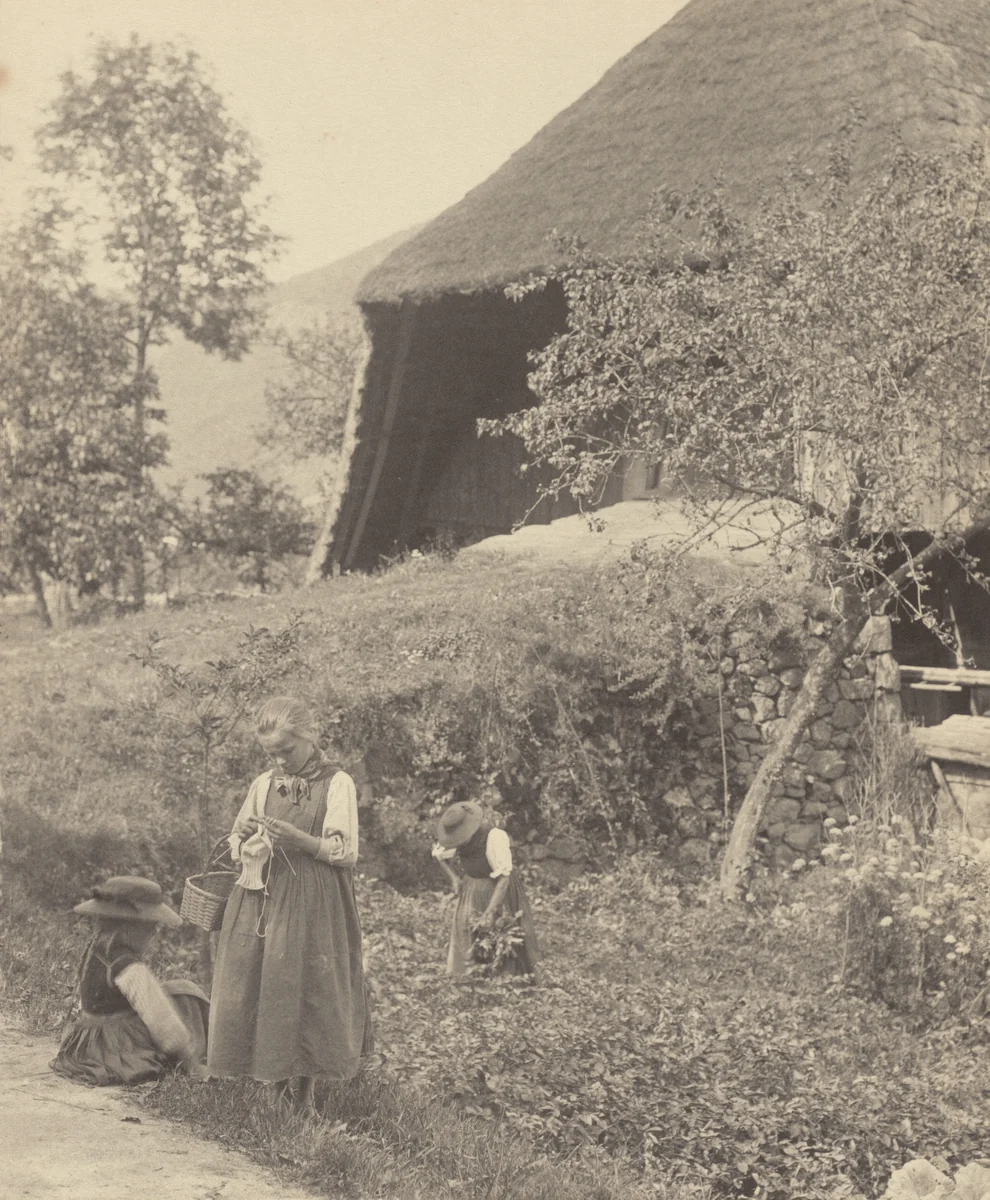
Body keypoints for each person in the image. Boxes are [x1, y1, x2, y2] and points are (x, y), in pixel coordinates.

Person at [208, 696, 374, 1113]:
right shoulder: (263, 784)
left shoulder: (338, 783)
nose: (280, 761)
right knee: (265, 983)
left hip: (315, 897)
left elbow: (346, 851)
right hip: (262, 895)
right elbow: (234, 846)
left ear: (309, 737)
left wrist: (300, 840)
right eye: (271, 754)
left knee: (308, 987)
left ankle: (304, 1094)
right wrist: (243, 834)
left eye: (287, 750)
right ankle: (271, 1091)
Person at [52, 876, 209, 1086]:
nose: (151, 937)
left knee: (173, 989)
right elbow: (162, 1021)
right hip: (116, 1047)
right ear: (131, 929)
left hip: (87, 1043)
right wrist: (188, 1060)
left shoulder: (95, 949)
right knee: (186, 996)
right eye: (150, 930)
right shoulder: (129, 967)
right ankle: (198, 1057)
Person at [432, 800, 539, 980]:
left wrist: (490, 912)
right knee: (467, 931)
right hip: (471, 892)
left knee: (500, 936)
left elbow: (504, 878)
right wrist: (454, 878)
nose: (458, 842)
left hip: (497, 891)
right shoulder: (456, 839)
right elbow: (438, 855)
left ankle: (506, 980)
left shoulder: (494, 837)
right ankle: (470, 979)